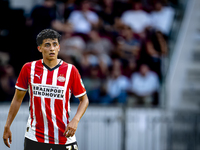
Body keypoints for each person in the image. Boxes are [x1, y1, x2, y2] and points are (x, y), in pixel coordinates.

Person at [3, 29, 89, 150]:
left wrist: (76, 120)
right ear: (40, 48)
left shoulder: (71, 70)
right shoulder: (28, 68)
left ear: (59, 47)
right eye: (47, 45)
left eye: (55, 44)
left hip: (64, 137)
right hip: (34, 137)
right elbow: (17, 99)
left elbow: (84, 100)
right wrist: (7, 126)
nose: (52, 48)